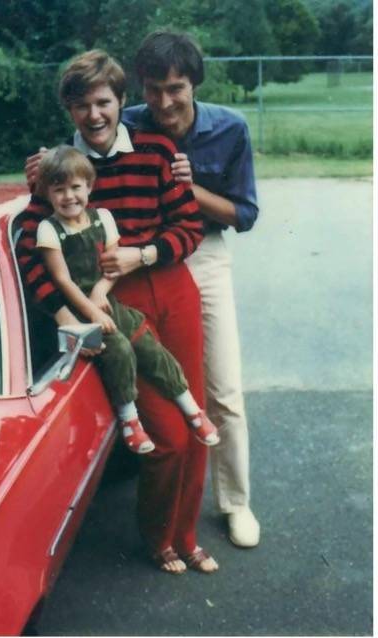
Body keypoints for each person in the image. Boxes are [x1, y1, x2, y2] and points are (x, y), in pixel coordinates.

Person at [17, 50, 218, 574]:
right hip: (114, 305)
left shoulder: (156, 150)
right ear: (69, 110)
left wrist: (142, 253)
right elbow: (30, 252)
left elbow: (189, 227)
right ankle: (159, 537)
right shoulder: (60, 168)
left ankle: (187, 535)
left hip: (172, 289)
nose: (94, 115)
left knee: (195, 417)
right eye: (81, 106)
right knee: (168, 435)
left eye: (103, 102)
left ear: (121, 102)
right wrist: (63, 314)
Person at [121, 30, 260, 548]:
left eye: (175, 88)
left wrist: (190, 189)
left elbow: (244, 214)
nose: (163, 102)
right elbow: (78, 170)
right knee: (147, 383)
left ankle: (236, 503)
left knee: (223, 390)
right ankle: (157, 499)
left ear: (194, 84)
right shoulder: (125, 122)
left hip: (202, 252)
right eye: (153, 89)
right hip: (140, 258)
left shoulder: (229, 127)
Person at [35, 144, 220, 455]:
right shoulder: (49, 229)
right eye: (59, 190)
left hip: (105, 300)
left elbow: (113, 264)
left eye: (75, 187)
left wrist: (100, 292)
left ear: (89, 187)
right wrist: (92, 311)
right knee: (119, 349)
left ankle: (192, 410)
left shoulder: (102, 218)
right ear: (47, 193)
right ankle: (129, 419)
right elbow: (63, 280)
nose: (69, 196)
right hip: (79, 311)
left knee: (149, 345)